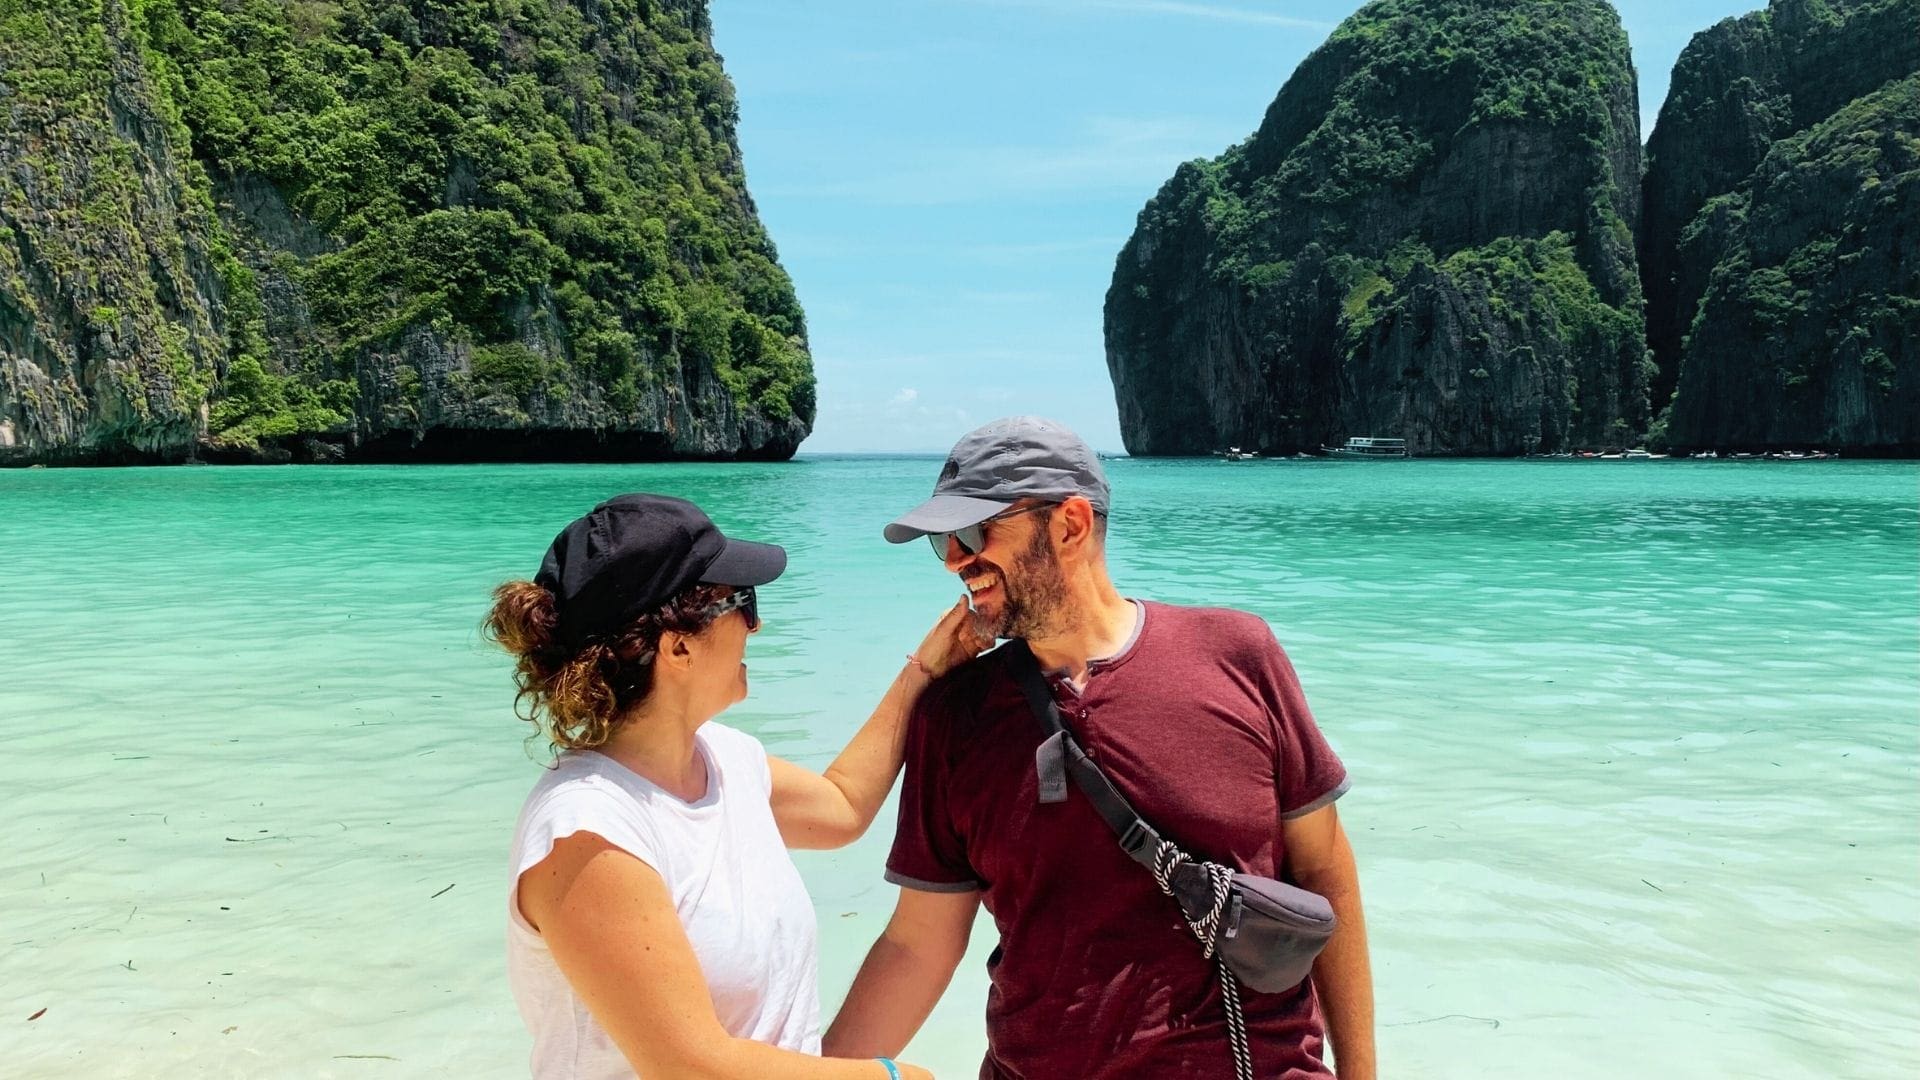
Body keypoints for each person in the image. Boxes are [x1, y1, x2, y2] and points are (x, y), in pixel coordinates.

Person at [822, 417, 1376, 1078]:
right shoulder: (954, 715)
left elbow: (1324, 874)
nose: (953, 561)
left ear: (1070, 525)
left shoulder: (1236, 655)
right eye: (942, 540)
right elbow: (918, 945)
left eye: (973, 533)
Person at [485, 493, 990, 1079]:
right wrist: (899, 1077)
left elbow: (844, 806)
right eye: (741, 602)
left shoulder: (725, 760)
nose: (758, 622)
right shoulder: (587, 829)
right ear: (677, 646)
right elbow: (695, 1068)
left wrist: (925, 669)